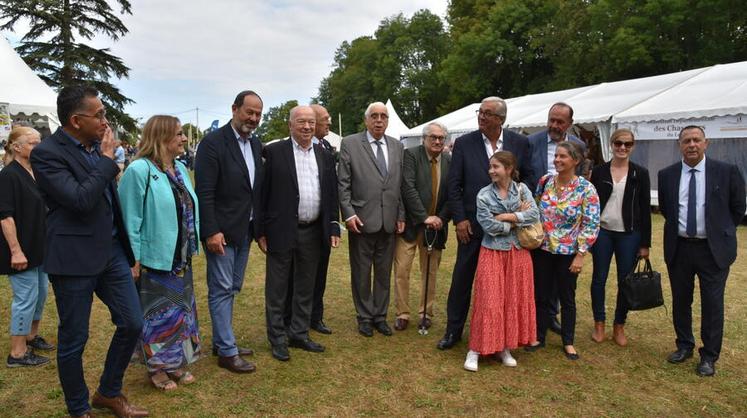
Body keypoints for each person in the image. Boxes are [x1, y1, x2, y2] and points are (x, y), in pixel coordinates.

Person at [30, 85, 148, 418]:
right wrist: (108, 162)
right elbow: (80, 199)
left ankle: (108, 393)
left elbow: (109, 203)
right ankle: (79, 408)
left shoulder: (98, 147)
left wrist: (128, 252)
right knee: (74, 339)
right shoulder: (47, 153)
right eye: (99, 115)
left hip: (110, 251)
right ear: (75, 120)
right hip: (73, 257)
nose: (105, 121)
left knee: (132, 322)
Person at [438, 96, 532, 350]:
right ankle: (453, 331)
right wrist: (459, 219)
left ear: (500, 119)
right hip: (472, 227)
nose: (481, 116)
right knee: (462, 280)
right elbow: (453, 185)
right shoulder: (464, 143)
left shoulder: (520, 143)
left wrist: (518, 210)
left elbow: (529, 179)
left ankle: (501, 336)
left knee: (503, 285)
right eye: (480, 112)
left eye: (487, 113)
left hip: (508, 231)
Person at [118, 115, 201, 390]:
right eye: (179, 134)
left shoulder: (178, 168)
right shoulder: (139, 170)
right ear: (162, 137)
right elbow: (130, 219)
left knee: (180, 313)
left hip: (179, 258)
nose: (184, 139)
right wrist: (134, 259)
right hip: (154, 260)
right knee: (158, 317)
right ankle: (157, 368)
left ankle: (176, 363)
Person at [658, 125, 745, 377]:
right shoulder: (667, 175)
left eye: (697, 140)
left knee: (712, 304)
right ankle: (684, 345)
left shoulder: (726, 172)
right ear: (680, 145)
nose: (692, 144)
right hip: (680, 248)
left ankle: (709, 356)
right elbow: (667, 210)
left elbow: (737, 208)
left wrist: (720, 231)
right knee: (681, 301)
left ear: (706, 143)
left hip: (713, 250)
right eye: (687, 141)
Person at [258, 105, 340, 361]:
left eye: (311, 123)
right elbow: (261, 194)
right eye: (301, 122)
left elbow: (330, 193)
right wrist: (260, 231)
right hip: (281, 230)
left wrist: (333, 225)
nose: (307, 127)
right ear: (290, 125)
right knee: (278, 287)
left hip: (313, 231)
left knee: (306, 285)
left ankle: (299, 333)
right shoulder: (273, 152)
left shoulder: (324, 154)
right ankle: (278, 338)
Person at [194, 90, 263, 374]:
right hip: (221, 232)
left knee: (233, 287)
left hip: (245, 230)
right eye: (249, 112)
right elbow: (205, 192)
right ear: (234, 109)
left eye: (258, 114)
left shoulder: (256, 144)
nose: (254, 118)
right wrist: (211, 231)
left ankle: (223, 340)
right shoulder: (213, 143)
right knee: (222, 289)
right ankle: (226, 350)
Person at [463, 151, 539, 371]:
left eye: (496, 167)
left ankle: (503, 347)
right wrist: (517, 219)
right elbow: (488, 226)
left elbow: (535, 214)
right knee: (488, 300)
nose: (491, 171)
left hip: (518, 252)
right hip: (493, 252)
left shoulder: (522, 189)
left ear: (508, 169)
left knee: (511, 300)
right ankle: (475, 350)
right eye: (490, 166)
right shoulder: (484, 195)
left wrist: (507, 216)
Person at [526, 141, 599, 360]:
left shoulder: (586, 188)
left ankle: (568, 341)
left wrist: (580, 254)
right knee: (541, 294)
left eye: (563, 156)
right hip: (543, 249)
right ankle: (539, 335)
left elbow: (591, 223)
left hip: (568, 252)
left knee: (567, 298)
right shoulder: (545, 181)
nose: (557, 160)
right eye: (556, 156)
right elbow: (535, 208)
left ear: (575, 160)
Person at [338, 101, 405, 337]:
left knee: (384, 272)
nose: (379, 120)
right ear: (366, 120)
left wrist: (400, 214)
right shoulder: (350, 144)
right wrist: (349, 214)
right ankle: (364, 316)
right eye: (374, 116)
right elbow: (343, 184)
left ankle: (380, 316)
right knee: (362, 272)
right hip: (362, 221)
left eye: (383, 116)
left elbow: (400, 186)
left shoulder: (397, 146)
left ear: (388, 120)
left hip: (389, 222)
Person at [527, 102, 587, 335]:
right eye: (551, 119)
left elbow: (579, 183)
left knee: (560, 280)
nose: (554, 124)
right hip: (539, 222)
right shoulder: (531, 142)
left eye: (560, 121)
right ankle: (537, 320)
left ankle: (552, 315)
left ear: (570, 124)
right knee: (540, 275)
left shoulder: (579, 145)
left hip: (567, 228)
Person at [589, 128, 651, 346]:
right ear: (612, 145)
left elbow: (645, 209)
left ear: (632, 146)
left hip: (629, 234)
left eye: (627, 144)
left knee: (625, 281)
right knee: (599, 279)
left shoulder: (640, 173)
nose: (622, 147)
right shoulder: (598, 171)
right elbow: (591, 204)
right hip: (603, 232)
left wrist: (645, 243)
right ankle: (599, 323)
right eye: (618, 143)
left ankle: (619, 325)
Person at [1, 127, 55, 368]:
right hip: (20, 250)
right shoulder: (9, 176)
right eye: (32, 143)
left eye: (39, 142)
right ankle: (17, 353)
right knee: (25, 297)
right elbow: (5, 217)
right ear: (16, 147)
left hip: (39, 246)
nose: (38, 147)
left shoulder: (35, 171)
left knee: (40, 294)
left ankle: (31, 336)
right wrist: (15, 250)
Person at [392, 122, 451, 331]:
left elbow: (452, 193)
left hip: (436, 228)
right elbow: (407, 188)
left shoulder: (449, 160)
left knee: (431, 272)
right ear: (424, 138)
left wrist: (440, 218)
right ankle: (402, 313)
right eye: (433, 137)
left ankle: (426, 313)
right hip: (410, 225)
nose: (437, 141)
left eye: (441, 138)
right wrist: (424, 217)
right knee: (402, 270)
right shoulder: (411, 155)